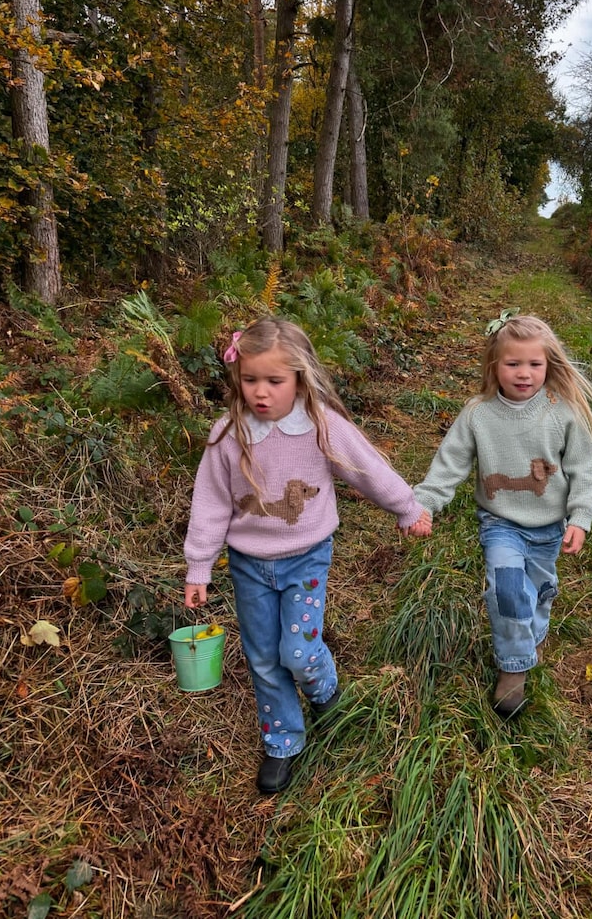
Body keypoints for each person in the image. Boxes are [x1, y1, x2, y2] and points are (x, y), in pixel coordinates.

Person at [183, 316, 431, 793]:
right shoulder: (228, 435)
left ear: (298, 377)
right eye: (250, 379)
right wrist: (199, 566)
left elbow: (366, 468)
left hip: (306, 559)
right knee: (263, 657)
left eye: (274, 381)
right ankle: (282, 742)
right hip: (249, 566)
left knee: (297, 651)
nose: (261, 392)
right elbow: (211, 501)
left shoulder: (320, 425)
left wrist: (405, 507)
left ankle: (325, 692)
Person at [412, 312, 592, 718]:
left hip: (549, 527)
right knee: (506, 587)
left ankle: (531, 628)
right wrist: (423, 503)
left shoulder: (562, 411)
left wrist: (580, 517)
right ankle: (513, 669)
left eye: (534, 364)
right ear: (493, 365)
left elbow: (585, 469)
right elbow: (450, 464)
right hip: (500, 523)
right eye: (512, 363)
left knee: (535, 590)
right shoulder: (478, 413)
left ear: (549, 365)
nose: (524, 373)